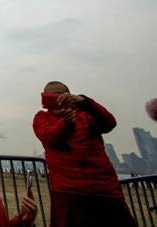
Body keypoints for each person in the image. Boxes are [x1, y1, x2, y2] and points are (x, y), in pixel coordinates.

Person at [33, 81, 137, 227]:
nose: (56, 101)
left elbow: (109, 123)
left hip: (105, 189)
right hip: (68, 191)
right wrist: (66, 123)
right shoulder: (42, 118)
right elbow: (50, 138)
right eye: (49, 98)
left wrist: (84, 101)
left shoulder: (86, 114)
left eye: (60, 96)